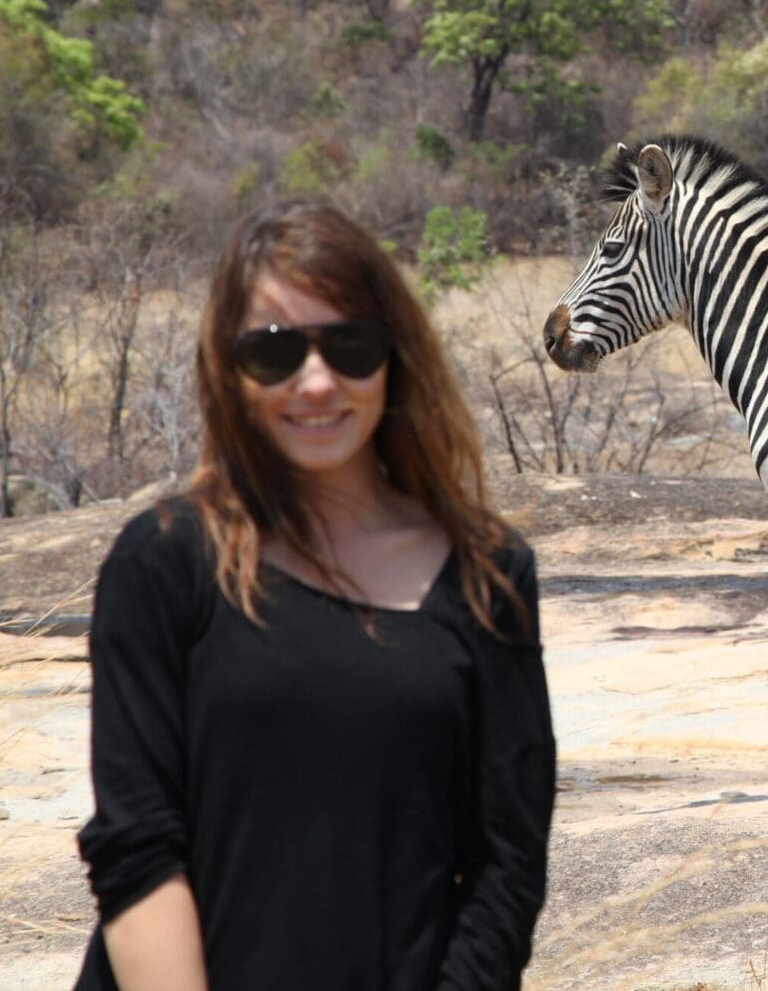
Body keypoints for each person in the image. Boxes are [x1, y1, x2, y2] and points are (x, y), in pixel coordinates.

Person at [74, 200, 556, 991]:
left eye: (351, 346)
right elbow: (137, 846)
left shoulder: (489, 574)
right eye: (275, 352)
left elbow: (507, 862)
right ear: (228, 369)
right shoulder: (163, 563)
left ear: (394, 357)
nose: (318, 381)